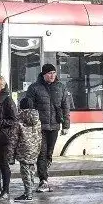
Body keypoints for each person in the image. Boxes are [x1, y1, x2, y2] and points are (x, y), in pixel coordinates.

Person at [23, 63, 70, 193]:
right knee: (42, 153)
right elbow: (29, 107)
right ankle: (43, 180)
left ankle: (44, 175)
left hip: (55, 125)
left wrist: (66, 125)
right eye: (49, 73)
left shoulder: (61, 87)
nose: (52, 76)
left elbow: (66, 107)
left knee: (49, 153)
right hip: (40, 126)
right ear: (43, 74)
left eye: (54, 73)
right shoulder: (34, 88)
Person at [0, 75, 17, 201]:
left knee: (3, 164)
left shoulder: (7, 100)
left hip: (3, 137)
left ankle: (5, 190)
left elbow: (13, 120)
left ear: (1, 86)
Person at [13, 98, 42, 202]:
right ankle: (30, 192)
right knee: (31, 170)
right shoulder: (37, 120)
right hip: (34, 149)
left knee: (25, 172)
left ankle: (28, 195)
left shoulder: (19, 120)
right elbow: (40, 136)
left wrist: (12, 152)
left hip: (23, 149)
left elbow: (14, 138)